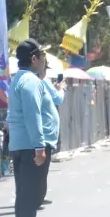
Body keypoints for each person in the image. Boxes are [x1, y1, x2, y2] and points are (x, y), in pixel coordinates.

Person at [6, 39, 52, 217]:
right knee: (32, 192)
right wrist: (39, 147)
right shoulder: (31, 83)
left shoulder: (19, 79)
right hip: (29, 145)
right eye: (42, 56)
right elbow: (33, 117)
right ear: (34, 59)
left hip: (20, 144)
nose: (44, 61)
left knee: (25, 191)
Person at [38, 75, 64, 208]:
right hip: (44, 133)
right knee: (41, 168)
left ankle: (38, 196)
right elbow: (58, 98)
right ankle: (37, 197)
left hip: (45, 132)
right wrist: (61, 89)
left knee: (42, 167)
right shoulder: (42, 81)